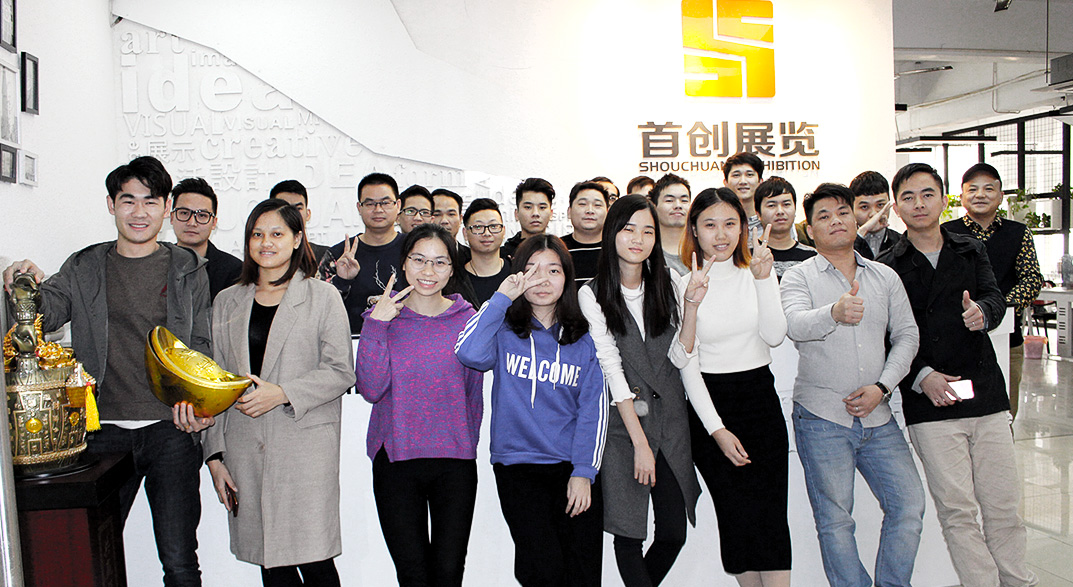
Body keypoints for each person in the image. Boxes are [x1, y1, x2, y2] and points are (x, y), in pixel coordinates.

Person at [4, 155, 210, 586]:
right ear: (111, 205)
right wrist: (26, 288)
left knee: (179, 560)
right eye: (128, 200)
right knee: (92, 552)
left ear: (166, 208)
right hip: (101, 431)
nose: (139, 212)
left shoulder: (187, 268)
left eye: (150, 201)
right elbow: (48, 313)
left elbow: (201, 345)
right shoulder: (84, 266)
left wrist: (199, 404)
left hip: (170, 430)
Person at [879, 162, 1037, 587]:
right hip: (930, 402)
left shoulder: (969, 248)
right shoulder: (887, 265)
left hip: (984, 392)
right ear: (897, 207)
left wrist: (984, 312)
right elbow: (886, 335)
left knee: (1003, 506)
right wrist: (921, 375)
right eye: (908, 197)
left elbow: (995, 297)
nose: (919, 204)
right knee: (958, 512)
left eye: (927, 194)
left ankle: (1017, 581)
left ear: (943, 199)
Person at [190, 198, 353, 587]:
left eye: (277, 233)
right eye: (257, 234)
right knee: (271, 565)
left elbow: (341, 371)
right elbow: (216, 383)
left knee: (316, 563)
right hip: (245, 450)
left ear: (297, 239)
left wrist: (281, 393)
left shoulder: (322, 296)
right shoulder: (227, 301)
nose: (266, 242)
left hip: (304, 451)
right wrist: (214, 457)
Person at [781, 183, 926, 587]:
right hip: (821, 417)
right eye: (824, 216)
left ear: (855, 218)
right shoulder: (797, 276)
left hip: (879, 415)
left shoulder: (884, 276)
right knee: (835, 520)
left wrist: (883, 386)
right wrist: (834, 312)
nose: (836, 221)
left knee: (909, 505)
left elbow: (907, 336)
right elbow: (793, 325)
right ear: (810, 229)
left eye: (843, 212)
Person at [454, 235, 607, 587]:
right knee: (541, 569)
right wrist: (501, 298)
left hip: (571, 468)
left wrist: (584, 471)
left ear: (567, 278)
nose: (543, 280)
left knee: (582, 572)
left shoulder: (584, 338)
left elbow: (593, 411)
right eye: (532, 270)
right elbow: (468, 353)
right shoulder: (504, 329)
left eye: (553, 270)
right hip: (518, 466)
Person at [578, 195, 703, 587]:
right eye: (629, 229)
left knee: (672, 533)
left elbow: (681, 357)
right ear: (612, 232)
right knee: (629, 533)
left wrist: (692, 307)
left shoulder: (670, 284)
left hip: (670, 425)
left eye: (648, 231)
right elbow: (612, 370)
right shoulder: (592, 293)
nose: (638, 238)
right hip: (624, 427)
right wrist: (640, 444)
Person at [355, 224, 482, 586]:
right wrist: (377, 325)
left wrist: (464, 443)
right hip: (397, 460)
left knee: (448, 573)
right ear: (404, 263)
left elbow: (474, 394)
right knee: (412, 575)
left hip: (454, 462)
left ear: (452, 268)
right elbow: (370, 389)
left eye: (440, 262)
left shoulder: (468, 320)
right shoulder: (382, 317)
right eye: (419, 260)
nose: (429, 271)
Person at [675, 187, 791, 587]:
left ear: (743, 227)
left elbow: (774, 335)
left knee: (771, 517)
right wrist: (717, 430)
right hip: (711, 410)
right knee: (737, 520)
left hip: (760, 402)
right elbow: (687, 366)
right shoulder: (682, 284)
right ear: (694, 229)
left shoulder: (756, 272)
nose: (721, 234)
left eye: (730, 223)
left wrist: (764, 280)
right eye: (710, 225)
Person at [943, 163, 1042, 422]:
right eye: (972, 189)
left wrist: (995, 308)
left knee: (1004, 413)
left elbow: (1031, 279)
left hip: (1007, 339)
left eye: (988, 189)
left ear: (1000, 196)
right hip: (956, 341)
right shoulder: (946, 234)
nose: (980, 195)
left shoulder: (1018, 233)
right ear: (961, 196)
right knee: (957, 414)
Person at [317, 172, 408, 334]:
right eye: (370, 203)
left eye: (385, 202)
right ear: (359, 208)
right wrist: (342, 281)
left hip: (408, 341)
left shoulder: (415, 250)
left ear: (398, 205)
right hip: (354, 343)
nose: (378, 209)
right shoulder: (338, 255)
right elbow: (317, 310)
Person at [170, 177, 242, 301]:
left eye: (202, 215)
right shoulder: (157, 264)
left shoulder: (234, 271)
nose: (192, 223)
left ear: (214, 223)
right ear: (172, 217)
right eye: (184, 213)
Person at [754, 177, 815, 279]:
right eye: (771, 205)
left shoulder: (812, 256)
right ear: (758, 214)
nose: (780, 211)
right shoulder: (746, 255)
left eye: (786, 204)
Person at [462, 198, 512, 306]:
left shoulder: (515, 272)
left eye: (493, 226)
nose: (487, 233)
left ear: (503, 231)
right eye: (478, 227)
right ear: (465, 233)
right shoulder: (455, 280)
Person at [562, 181, 610, 286]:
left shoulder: (617, 248)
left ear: (608, 212)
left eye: (597, 205)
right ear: (569, 212)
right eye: (582, 204)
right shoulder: (557, 248)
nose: (590, 210)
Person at [270, 179, 330, 262]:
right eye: (285, 208)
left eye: (298, 208)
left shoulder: (325, 256)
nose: (292, 214)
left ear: (308, 214)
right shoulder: (264, 255)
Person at [648, 174, 692, 277]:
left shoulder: (702, 248)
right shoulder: (646, 252)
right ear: (654, 207)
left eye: (684, 201)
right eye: (669, 200)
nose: (678, 206)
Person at [849, 171, 900, 260]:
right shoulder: (843, 244)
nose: (874, 214)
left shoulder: (902, 243)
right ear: (851, 209)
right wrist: (860, 234)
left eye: (880, 205)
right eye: (864, 207)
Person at [502, 178, 555, 259]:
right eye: (528, 207)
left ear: (551, 213)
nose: (535, 213)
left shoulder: (558, 253)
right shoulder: (503, 256)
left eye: (542, 207)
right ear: (516, 214)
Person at [722, 152, 765, 239]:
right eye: (736, 175)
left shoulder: (770, 220)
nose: (743, 181)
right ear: (725, 182)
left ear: (760, 182)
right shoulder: (718, 220)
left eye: (749, 175)